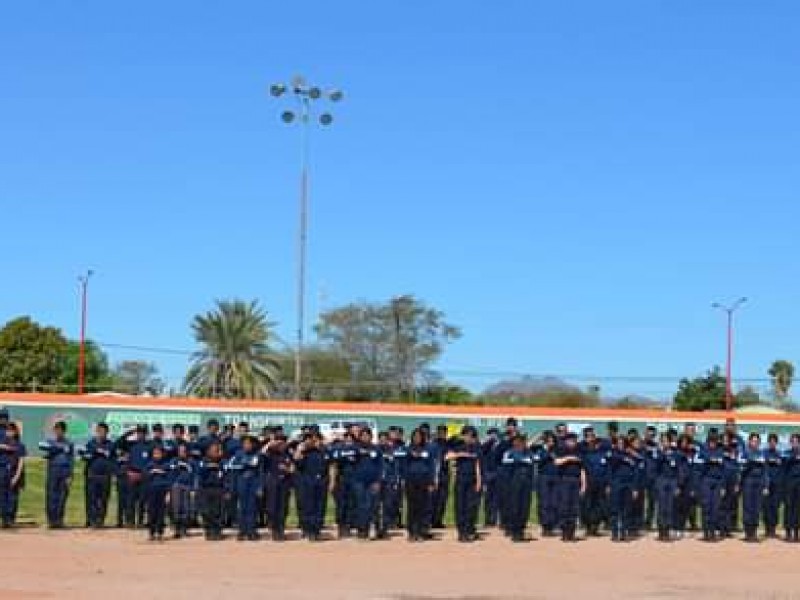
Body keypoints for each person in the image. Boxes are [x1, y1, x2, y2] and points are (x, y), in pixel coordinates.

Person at [447, 426, 482, 543]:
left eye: (471, 435)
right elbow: (447, 456)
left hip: (472, 480)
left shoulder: (475, 447)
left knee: (470, 507)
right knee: (460, 506)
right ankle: (461, 532)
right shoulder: (457, 445)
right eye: (467, 435)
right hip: (460, 480)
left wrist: (478, 480)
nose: (469, 438)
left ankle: (468, 530)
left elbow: (477, 464)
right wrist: (460, 454)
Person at [38, 421, 75, 529]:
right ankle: (51, 520)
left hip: (64, 471)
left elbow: (71, 459)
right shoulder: (50, 442)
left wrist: (70, 475)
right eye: (56, 430)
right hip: (53, 470)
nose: (58, 432)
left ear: (64, 431)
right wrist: (59, 448)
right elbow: (41, 446)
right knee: (51, 496)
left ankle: (59, 520)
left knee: (62, 497)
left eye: (60, 430)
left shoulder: (69, 443)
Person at [294, 431, 328, 541]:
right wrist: (300, 449)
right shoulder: (304, 452)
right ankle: (308, 530)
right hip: (307, 481)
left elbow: (331, 465)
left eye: (315, 439)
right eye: (309, 439)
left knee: (320, 506)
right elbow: (296, 461)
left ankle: (317, 530)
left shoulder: (323, 451)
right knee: (308, 506)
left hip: (321, 481)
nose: (312, 441)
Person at [229, 434, 264, 541]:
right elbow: (232, 468)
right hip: (241, 483)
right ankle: (242, 531)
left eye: (249, 443)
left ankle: (251, 531)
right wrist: (233, 487)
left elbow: (260, 472)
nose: (247, 446)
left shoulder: (258, 455)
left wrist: (260, 487)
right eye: (245, 443)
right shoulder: (238, 454)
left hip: (253, 483)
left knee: (252, 508)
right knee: (242, 508)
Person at [404, 427, 436, 542]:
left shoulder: (428, 450)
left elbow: (431, 466)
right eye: (415, 436)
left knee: (423, 507)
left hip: (424, 481)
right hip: (411, 481)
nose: (417, 438)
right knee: (412, 507)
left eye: (419, 436)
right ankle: (412, 532)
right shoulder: (407, 450)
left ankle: (421, 531)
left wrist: (431, 482)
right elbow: (404, 466)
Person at [501, 433, 534, 542]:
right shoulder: (509, 452)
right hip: (514, 483)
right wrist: (519, 460)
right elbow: (505, 461)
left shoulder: (528, 452)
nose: (520, 443)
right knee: (515, 507)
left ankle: (521, 531)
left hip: (526, 483)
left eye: (522, 441)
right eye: (518, 441)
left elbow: (532, 460)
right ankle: (514, 531)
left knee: (525, 508)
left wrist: (523, 459)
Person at [81, 422, 115, 528]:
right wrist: (93, 453)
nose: (101, 433)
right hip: (92, 475)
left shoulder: (110, 444)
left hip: (105, 476)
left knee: (103, 499)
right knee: (91, 499)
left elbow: (113, 459)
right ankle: (91, 520)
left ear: (107, 432)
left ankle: (100, 520)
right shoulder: (90, 443)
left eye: (103, 431)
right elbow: (84, 456)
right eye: (99, 431)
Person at [554, 432, 586, 542]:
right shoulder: (561, 450)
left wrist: (584, 484)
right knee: (564, 506)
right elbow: (557, 462)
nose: (573, 442)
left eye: (574, 440)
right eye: (571, 440)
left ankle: (571, 532)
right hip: (565, 480)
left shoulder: (579, 452)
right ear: (566, 441)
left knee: (574, 508)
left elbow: (582, 469)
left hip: (576, 481)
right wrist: (569, 458)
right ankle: (564, 532)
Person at [352, 427, 383, 540]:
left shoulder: (376, 449)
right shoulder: (355, 448)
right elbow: (351, 460)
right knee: (360, 506)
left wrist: (378, 481)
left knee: (370, 506)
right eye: (363, 435)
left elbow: (380, 467)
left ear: (371, 437)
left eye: (367, 435)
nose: (365, 437)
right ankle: (361, 530)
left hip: (372, 482)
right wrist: (359, 452)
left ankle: (370, 528)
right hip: (359, 481)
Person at [580, 427, 610, 537]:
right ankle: (588, 526)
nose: (591, 440)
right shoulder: (583, 451)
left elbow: (607, 468)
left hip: (601, 483)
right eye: (588, 437)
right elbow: (582, 469)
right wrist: (583, 484)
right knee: (587, 505)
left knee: (600, 506)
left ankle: (595, 527)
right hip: (589, 482)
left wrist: (607, 484)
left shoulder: (603, 452)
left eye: (593, 438)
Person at [264, 433, 294, 541]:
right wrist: (270, 444)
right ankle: (274, 529)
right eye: (279, 442)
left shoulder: (288, 454)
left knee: (283, 507)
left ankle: (281, 530)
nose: (281, 444)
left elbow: (293, 467)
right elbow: (261, 455)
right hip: (273, 483)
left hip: (284, 483)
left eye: (283, 442)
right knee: (272, 507)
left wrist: (288, 469)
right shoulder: (270, 454)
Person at [740, 432, 769, 543]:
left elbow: (765, 471)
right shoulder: (745, 452)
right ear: (749, 441)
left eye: (757, 441)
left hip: (759, 483)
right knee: (748, 507)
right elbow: (741, 468)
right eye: (753, 441)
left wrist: (766, 486)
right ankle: (748, 533)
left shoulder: (762, 454)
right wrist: (749, 461)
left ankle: (754, 533)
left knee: (757, 508)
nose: (755, 443)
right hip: (748, 481)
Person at [654, 431, 683, 542]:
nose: (665, 443)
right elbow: (656, 466)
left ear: (670, 442)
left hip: (672, 481)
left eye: (666, 441)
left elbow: (679, 470)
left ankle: (667, 530)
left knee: (670, 507)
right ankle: (661, 530)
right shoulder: (658, 452)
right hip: (661, 481)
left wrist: (678, 485)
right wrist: (662, 452)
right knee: (662, 507)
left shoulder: (676, 453)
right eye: (663, 441)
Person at [608, 435, 637, 542]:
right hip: (616, 484)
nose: (621, 445)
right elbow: (611, 459)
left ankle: (624, 533)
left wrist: (634, 488)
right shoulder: (613, 453)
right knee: (615, 510)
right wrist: (624, 458)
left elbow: (635, 472)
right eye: (619, 443)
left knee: (626, 510)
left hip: (628, 485)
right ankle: (615, 533)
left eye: (623, 443)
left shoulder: (631, 454)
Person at [698, 430, 726, 542]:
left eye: (715, 440)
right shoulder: (703, 450)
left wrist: (723, 486)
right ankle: (706, 532)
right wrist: (709, 460)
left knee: (715, 507)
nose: (713, 443)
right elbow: (700, 466)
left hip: (718, 482)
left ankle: (713, 532)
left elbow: (723, 469)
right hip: (706, 481)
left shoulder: (720, 451)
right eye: (711, 440)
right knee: (706, 507)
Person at [197, 441, 226, 540]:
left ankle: (217, 531)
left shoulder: (222, 462)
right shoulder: (203, 462)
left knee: (218, 511)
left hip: (218, 489)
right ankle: (208, 530)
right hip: (206, 489)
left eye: (217, 450)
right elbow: (200, 476)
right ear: (208, 452)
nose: (215, 452)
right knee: (206, 511)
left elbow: (225, 476)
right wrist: (208, 467)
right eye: (213, 450)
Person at [533, 431, 558, 537]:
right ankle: (545, 526)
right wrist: (539, 437)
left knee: (554, 503)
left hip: (555, 478)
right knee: (544, 503)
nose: (551, 442)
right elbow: (529, 446)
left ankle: (552, 526)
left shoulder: (556, 450)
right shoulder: (540, 450)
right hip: (543, 478)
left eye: (553, 440)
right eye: (549, 440)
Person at [168, 443, 196, 538]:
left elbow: (194, 475)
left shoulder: (191, 462)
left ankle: (184, 529)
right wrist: (170, 488)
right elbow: (170, 474)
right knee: (176, 508)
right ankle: (177, 529)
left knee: (186, 508)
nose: (182, 453)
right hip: (176, 486)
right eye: (180, 451)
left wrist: (193, 488)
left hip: (187, 486)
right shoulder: (173, 461)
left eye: (184, 451)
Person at [145, 445, 171, 541]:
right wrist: (152, 472)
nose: (157, 455)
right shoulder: (149, 465)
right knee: (152, 512)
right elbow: (146, 478)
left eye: (159, 453)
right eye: (155, 453)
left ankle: (160, 532)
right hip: (152, 491)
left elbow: (169, 479)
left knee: (161, 512)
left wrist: (168, 493)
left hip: (162, 491)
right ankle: (151, 532)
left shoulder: (166, 465)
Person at [2, 423, 26, 527]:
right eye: (8, 430)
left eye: (12, 430)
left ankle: (11, 519)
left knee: (13, 498)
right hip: (3, 472)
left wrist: (16, 476)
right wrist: (5, 447)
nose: (9, 432)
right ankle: (5, 520)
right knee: (3, 497)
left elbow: (21, 461)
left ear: (16, 432)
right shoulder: (3, 444)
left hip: (13, 472)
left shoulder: (20, 445)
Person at [430, 425, 451, 530]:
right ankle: (431, 520)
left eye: (444, 432)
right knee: (433, 499)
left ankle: (438, 520)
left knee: (443, 499)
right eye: (440, 432)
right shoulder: (433, 445)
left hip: (445, 474)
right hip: (434, 474)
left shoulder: (447, 444)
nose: (442, 434)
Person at [480, 427, 501, 527]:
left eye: (495, 434)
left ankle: (495, 519)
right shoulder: (485, 446)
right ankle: (488, 520)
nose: (493, 436)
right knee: (488, 498)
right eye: (491, 434)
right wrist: (489, 441)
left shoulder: (500, 446)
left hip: (498, 474)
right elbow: (481, 450)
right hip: (488, 474)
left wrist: (497, 442)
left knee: (497, 498)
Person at [764, 433, 783, 539]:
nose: (772, 443)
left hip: (777, 484)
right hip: (767, 484)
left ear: (776, 443)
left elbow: (782, 469)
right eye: (770, 441)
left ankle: (773, 529)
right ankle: (767, 529)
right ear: (768, 442)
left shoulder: (779, 454)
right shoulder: (764, 453)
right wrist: (765, 485)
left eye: (774, 441)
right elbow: (764, 468)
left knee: (775, 507)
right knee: (766, 506)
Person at [782, 433, 800, 542]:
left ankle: (796, 533)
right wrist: (795, 456)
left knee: (797, 508)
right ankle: (788, 532)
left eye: (797, 441)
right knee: (789, 507)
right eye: (792, 441)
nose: (795, 443)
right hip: (789, 483)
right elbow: (786, 461)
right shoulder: (786, 453)